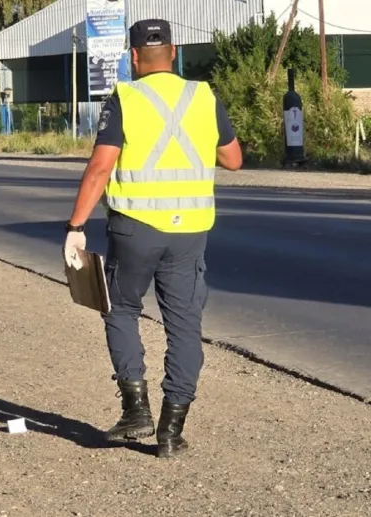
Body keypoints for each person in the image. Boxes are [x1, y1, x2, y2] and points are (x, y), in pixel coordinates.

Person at [63, 19, 243, 459]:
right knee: (184, 324)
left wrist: (75, 227)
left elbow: (102, 167)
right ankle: (171, 430)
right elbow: (233, 159)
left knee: (120, 307)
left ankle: (135, 409)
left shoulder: (125, 97)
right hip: (191, 232)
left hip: (136, 227)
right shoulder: (203, 96)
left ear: (134, 56)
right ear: (175, 52)